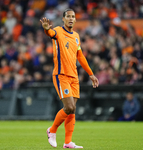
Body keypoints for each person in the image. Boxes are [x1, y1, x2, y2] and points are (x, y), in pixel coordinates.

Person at [40, 9, 99, 149]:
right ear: (63, 19)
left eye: (73, 17)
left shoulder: (76, 36)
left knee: (72, 110)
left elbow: (80, 56)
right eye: (68, 16)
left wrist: (91, 73)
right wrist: (46, 30)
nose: (71, 19)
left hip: (74, 77)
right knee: (69, 107)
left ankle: (67, 142)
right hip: (61, 75)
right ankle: (52, 130)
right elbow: (50, 33)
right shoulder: (58, 31)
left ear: (75, 20)